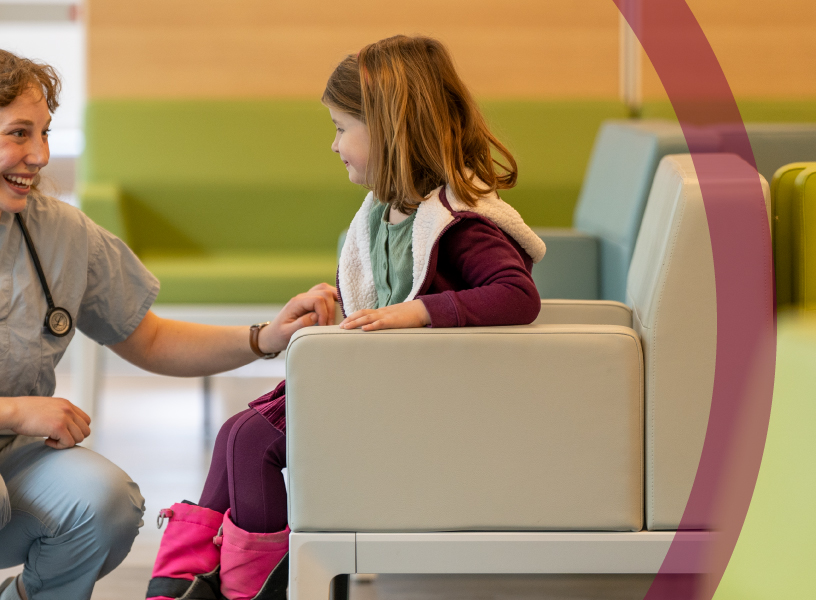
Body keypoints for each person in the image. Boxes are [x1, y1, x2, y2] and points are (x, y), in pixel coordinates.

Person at [0, 45, 339, 600]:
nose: (39, 155)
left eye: (45, 133)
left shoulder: (59, 233)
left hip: (0, 468)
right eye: (17, 134)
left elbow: (150, 338)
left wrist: (264, 339)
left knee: (106, 502)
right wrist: (18, 411)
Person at [144, 35, 547, 600]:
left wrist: (419, 314)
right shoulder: (391, 213)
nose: (333, 145)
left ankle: (246, 592)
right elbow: (381, 290)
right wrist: (336, 303)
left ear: (387, 129)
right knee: (234, 432)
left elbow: (516, 295)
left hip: (421, 405)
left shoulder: (462, 220)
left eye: (340, 127)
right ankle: (178, 585)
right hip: (380, 388)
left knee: (252, 441)